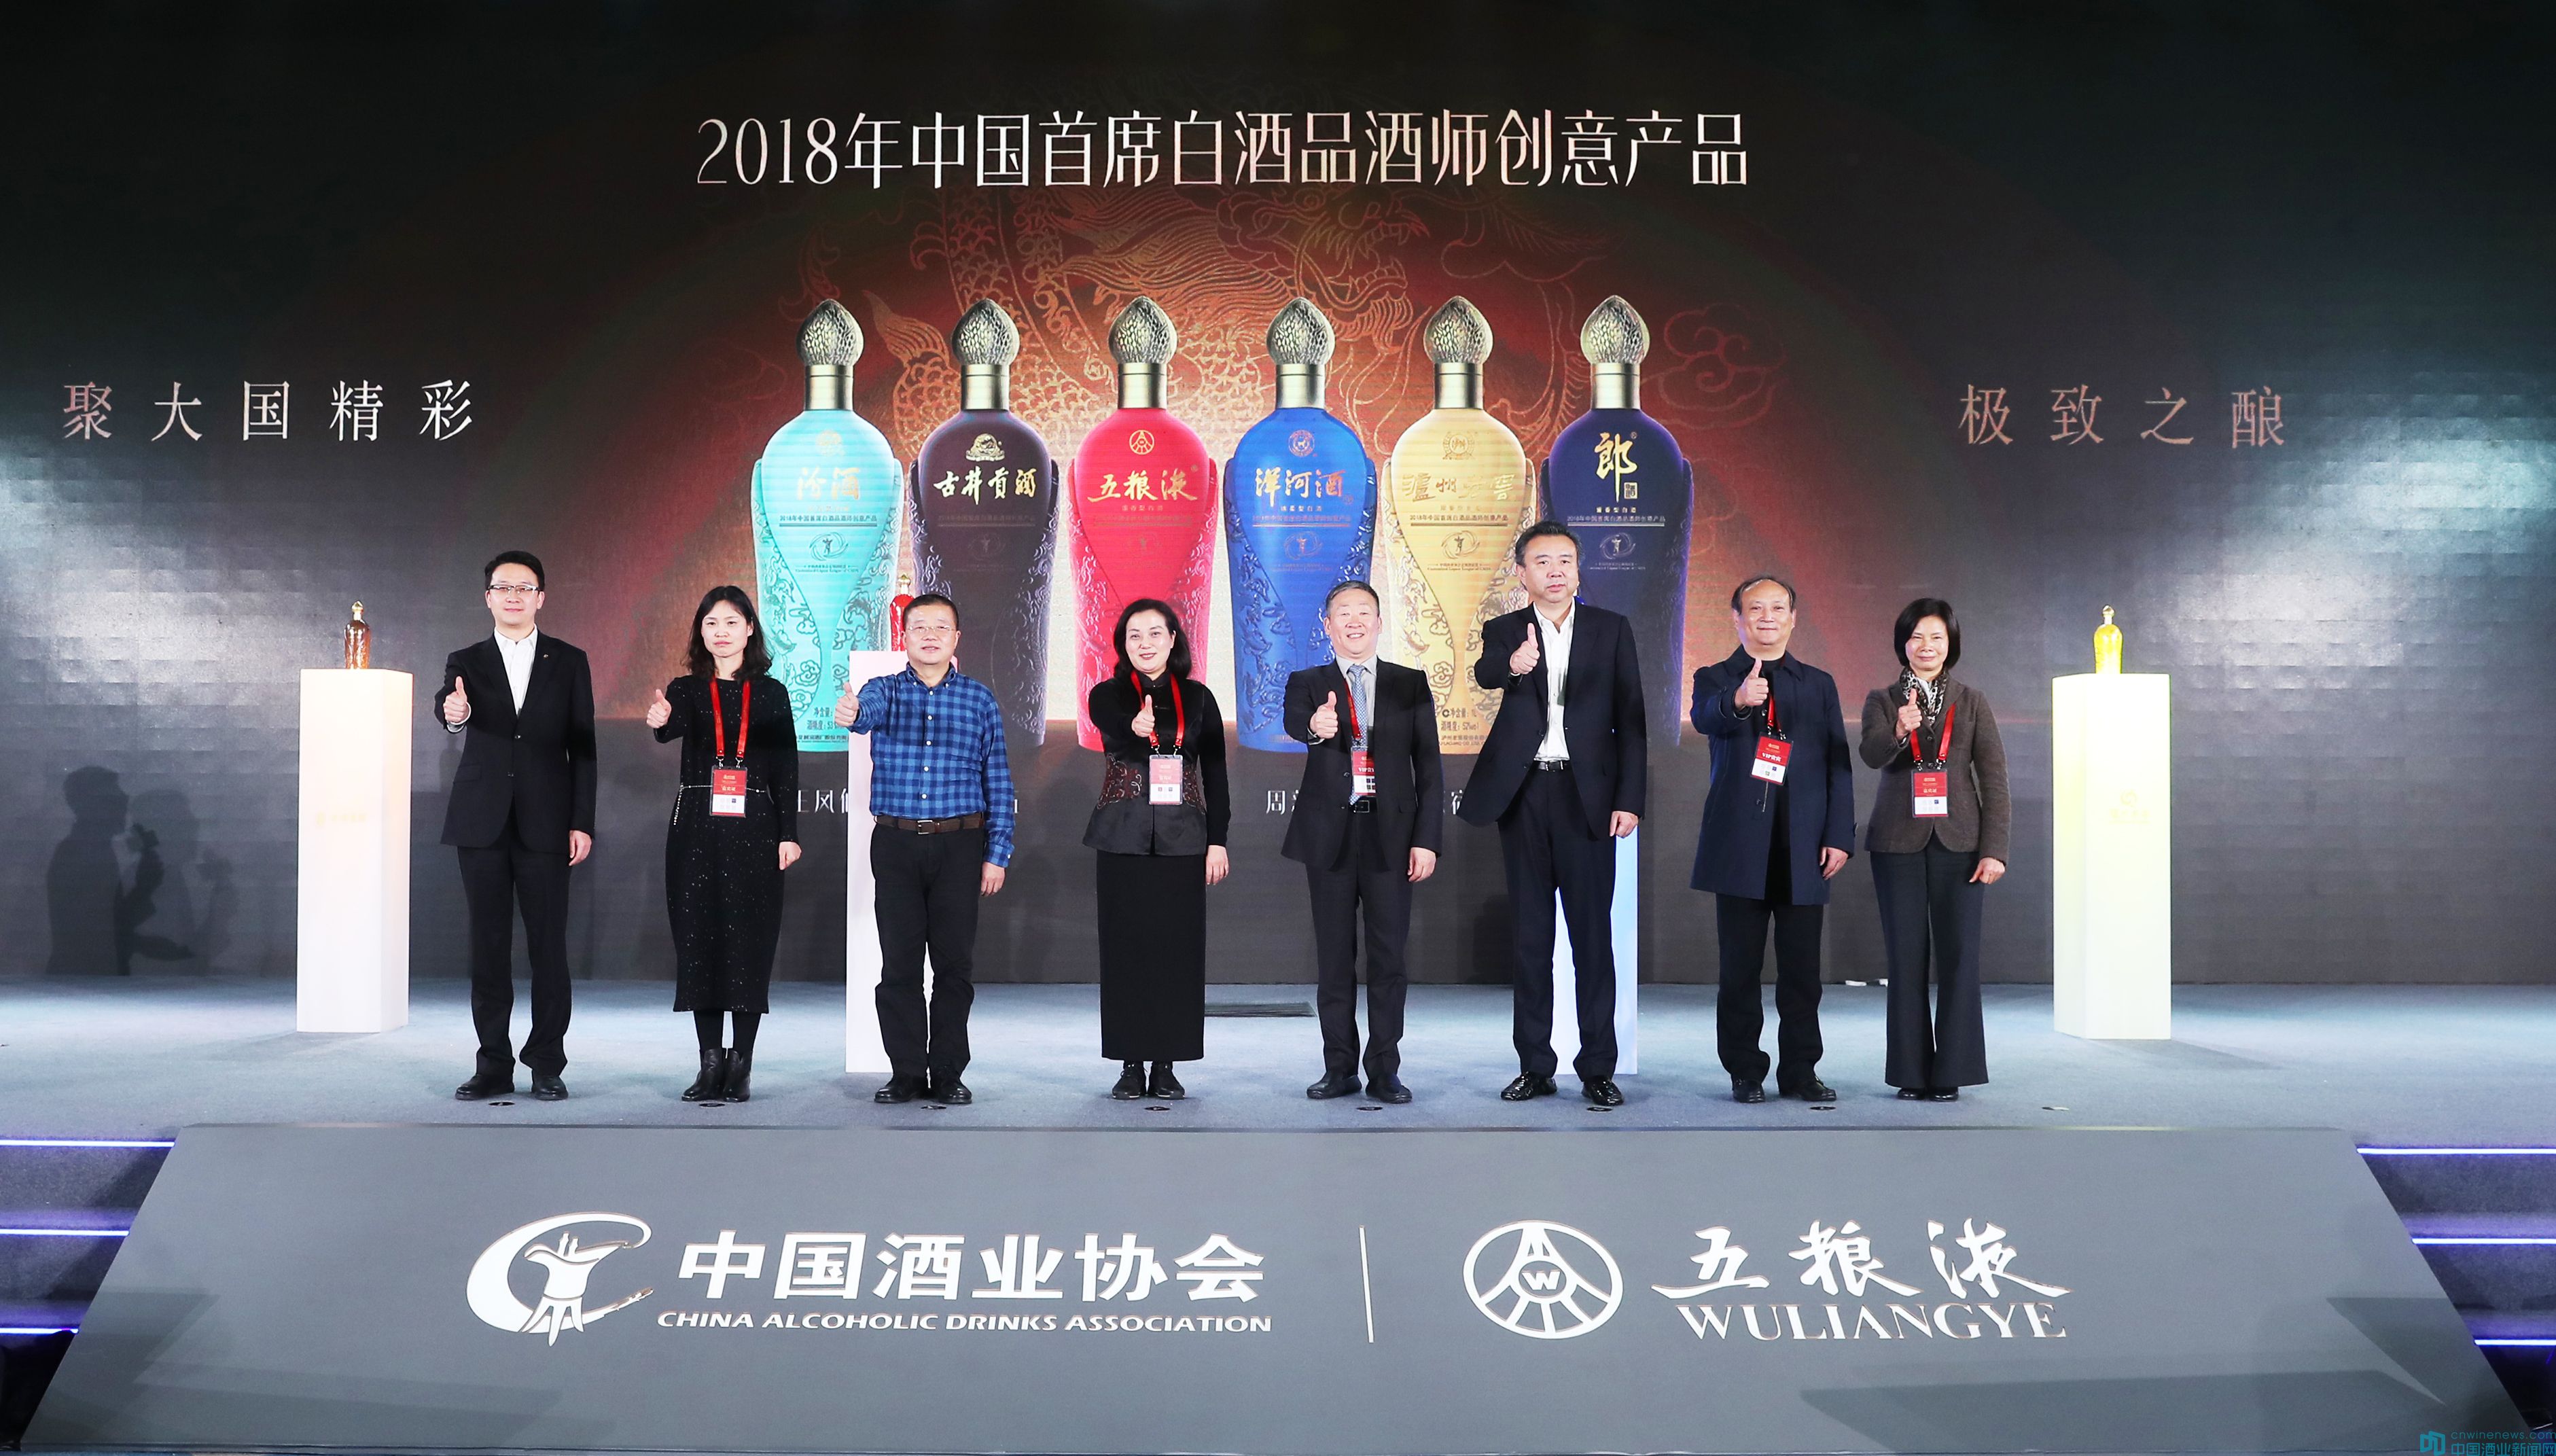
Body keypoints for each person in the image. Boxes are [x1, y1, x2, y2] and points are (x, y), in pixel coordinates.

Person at [1457, 522, 1646, 1107]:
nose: (1555, 570)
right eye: (1542, 561)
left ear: (1579, 570)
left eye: (1565, 560)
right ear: (1523, 573)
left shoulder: (1611, 629)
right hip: (1525, 794)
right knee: (1531, 938)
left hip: (1588, 797)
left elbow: (1632, 721)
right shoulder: (1505, 629)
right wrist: (1515, 664)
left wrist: (1629, 798)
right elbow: (1485, 673)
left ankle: (1598, 1068)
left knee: (1592, 939)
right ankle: (1536, 1065)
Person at [834, 592, 1014, 1106]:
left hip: (961, 844)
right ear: (905, 636)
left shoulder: (979, 700)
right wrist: (852, 711)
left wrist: (997, 852)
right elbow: (864, 713)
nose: (930, 635)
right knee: (900, 965)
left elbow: (998, 779)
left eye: (940, 626)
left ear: (956, 638)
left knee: (954, 965)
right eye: (919, 626)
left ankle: (948, 1071)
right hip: (896, 843)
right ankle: (907, 1072)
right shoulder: (883, 690)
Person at [435, 550, 595, 1102]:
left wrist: (581, 821)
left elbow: (584, 749)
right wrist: (455, 714)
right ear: (488, 598)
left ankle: (547, 1062)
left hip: (547, 822)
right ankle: (493, 1064)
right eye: (503, 587)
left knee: (548, 947)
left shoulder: (569, 661)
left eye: (524, 588)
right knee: (488, 946)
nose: (513, 596)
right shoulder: (466, 660)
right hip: (481, 822)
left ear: (541, 598)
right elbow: (449, 707)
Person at [1690, 575, 1854, 1105]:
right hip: (1740, 845)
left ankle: (1801, 1070)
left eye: (1778, 608)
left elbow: (1839, 766)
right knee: (1739, 970)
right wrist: (1738, 701)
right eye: (1756, 608)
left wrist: (1839, 835)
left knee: (1803, 972)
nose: (1767, 617)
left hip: (1802, 845)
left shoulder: (1818, 684)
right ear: (1737, 618)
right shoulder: (1715, 677)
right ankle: (1745, 1070)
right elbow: (1704, 718)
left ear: (1793, 618)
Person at [1283, 580, 1443, 1104]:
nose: (1354, 621)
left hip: (1391, 836)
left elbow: (1430, 767)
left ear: (1379, 622)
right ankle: (1339, 1068)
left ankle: (1385, 1070)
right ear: (1327, 625)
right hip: (1330, 836)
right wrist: (1316, 724)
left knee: (1388, 959)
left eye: (1364, 612)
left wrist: (1427, 840)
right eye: (1343, 613)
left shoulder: (1409, 683)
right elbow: (1295, 723)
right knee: (1334, 960)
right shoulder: (1308, 682)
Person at [644, 586, 800, 1104]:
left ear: (750, 628)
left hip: (755, 825)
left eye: (732, 622)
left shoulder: (772, 692)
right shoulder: (686, 688)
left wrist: (788, 832)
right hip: (696, 824)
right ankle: (709, 1061)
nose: (721, 632)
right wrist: (660, 721)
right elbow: (669, 727)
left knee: (749, 943)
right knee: (700, 941)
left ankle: (741, 1062)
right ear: (701, 631)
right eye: (711, 623)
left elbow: (786, 767)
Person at [1859, 597, 2010, 1101]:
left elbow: (1994, 779)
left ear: (1951, 644)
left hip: (1961, 842)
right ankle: (1910, 1071)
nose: (1927, 646)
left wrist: (1994, 849)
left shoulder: (1972, 701)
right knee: (1905, 960)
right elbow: (1872, 754)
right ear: (1903, 644)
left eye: (1937, 637)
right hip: (1897, 842)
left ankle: (1952, 1071)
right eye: (1917, 637)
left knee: (1959, 957)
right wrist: (1900, 729)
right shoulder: (1882, 700)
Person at [1083, 599, 1230, 1101]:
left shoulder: (1199, 698)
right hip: (1120, 836)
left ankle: (1166, 1063)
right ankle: (1130, 1064)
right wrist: (1135, 726)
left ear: (1172, 640)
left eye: (1154, 633)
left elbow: (1216, 775)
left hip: (1183, 839)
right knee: (1124, 950)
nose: (1144, 643)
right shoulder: (1108, 694)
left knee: (1176, 951)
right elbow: (1110, 721)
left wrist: (1217, 840)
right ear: (1123, 645)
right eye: (1134, 635)